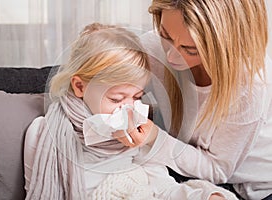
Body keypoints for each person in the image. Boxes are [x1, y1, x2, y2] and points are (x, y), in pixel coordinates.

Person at [23, 23, 238, 200]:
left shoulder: (135, 128)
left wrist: (204, 196)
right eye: (116, 98)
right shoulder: (44, 133)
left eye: (136, 97)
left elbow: (161, 187)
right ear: (80, 87)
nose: (127, 107)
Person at [114, 1, 272, 200]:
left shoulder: (251, 86)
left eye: (190, 50)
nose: (170, 56)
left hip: (253, 187)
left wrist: (155, 138)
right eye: (166, 36)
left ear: (225, 46)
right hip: (190, 165)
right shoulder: (152, 49)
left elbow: (217, 169)